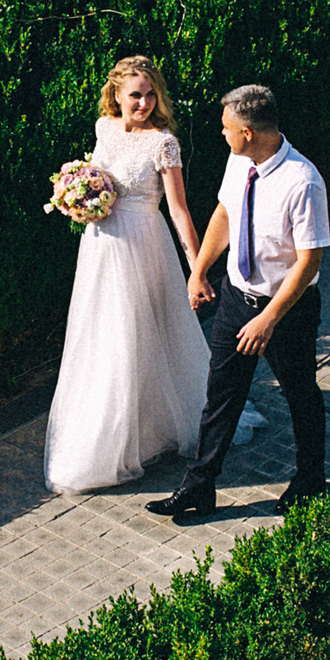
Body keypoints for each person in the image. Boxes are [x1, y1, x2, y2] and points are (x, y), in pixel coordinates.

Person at [149, 84, 329, 523]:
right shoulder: (239, 161)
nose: (222, 134)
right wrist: (199, 270)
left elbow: (309, 261)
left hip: (286, 311)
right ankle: (199, 486)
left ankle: (310, 480)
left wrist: (269, 318)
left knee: (300, 394)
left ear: (247, 131)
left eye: (226, 127)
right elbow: (225, 215)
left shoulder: (303, 181)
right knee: (221, 396)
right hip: (235, 299)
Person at [44, 56, 212, 494]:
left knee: (142, 332)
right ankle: (112, 433)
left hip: (144, 245)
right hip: (101, 247)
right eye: (135, 94)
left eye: (150, 93)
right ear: (116, 95)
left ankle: (150, 431)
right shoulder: (104, 128)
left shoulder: (164, 143)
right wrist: (77, 196)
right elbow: (98, 176)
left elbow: (178, 209)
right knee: (104, 335)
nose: (143, 102)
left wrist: (196, 269)